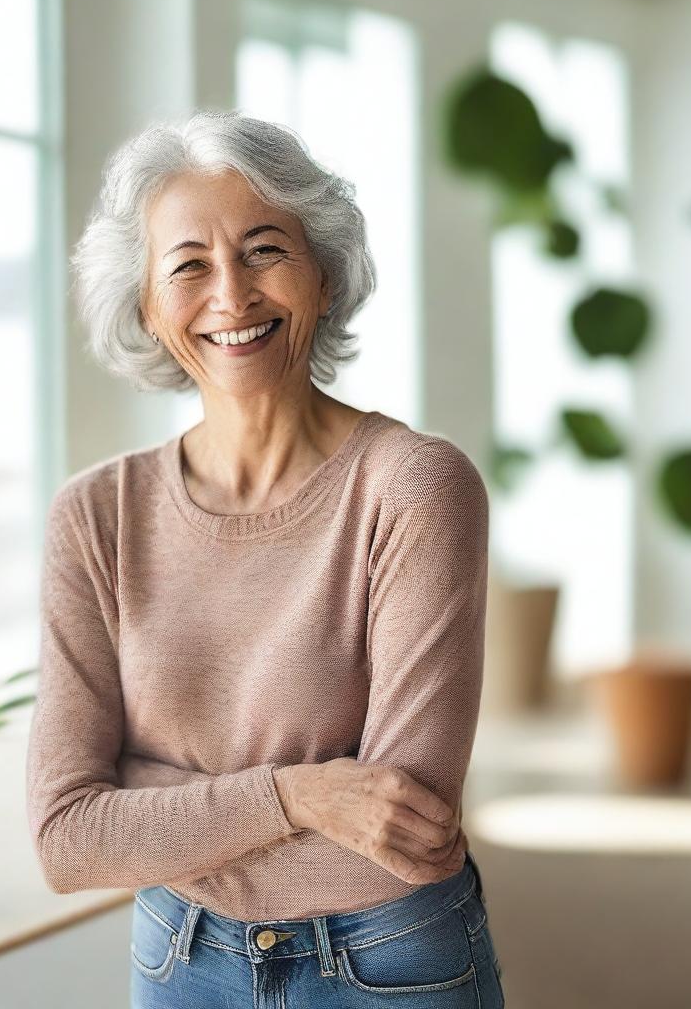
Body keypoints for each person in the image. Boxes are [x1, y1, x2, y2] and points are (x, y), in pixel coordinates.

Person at [25, 108, 505, 1008]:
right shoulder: (95, 516)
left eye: (264, 250)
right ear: (147, 306)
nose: (232, 298)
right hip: (178, 954)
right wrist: (307, 795)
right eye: (189, 266)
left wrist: (156, 801)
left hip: (389, 955)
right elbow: (68, 837)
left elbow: (408, 819)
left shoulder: (413, 487)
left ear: (323, 277)